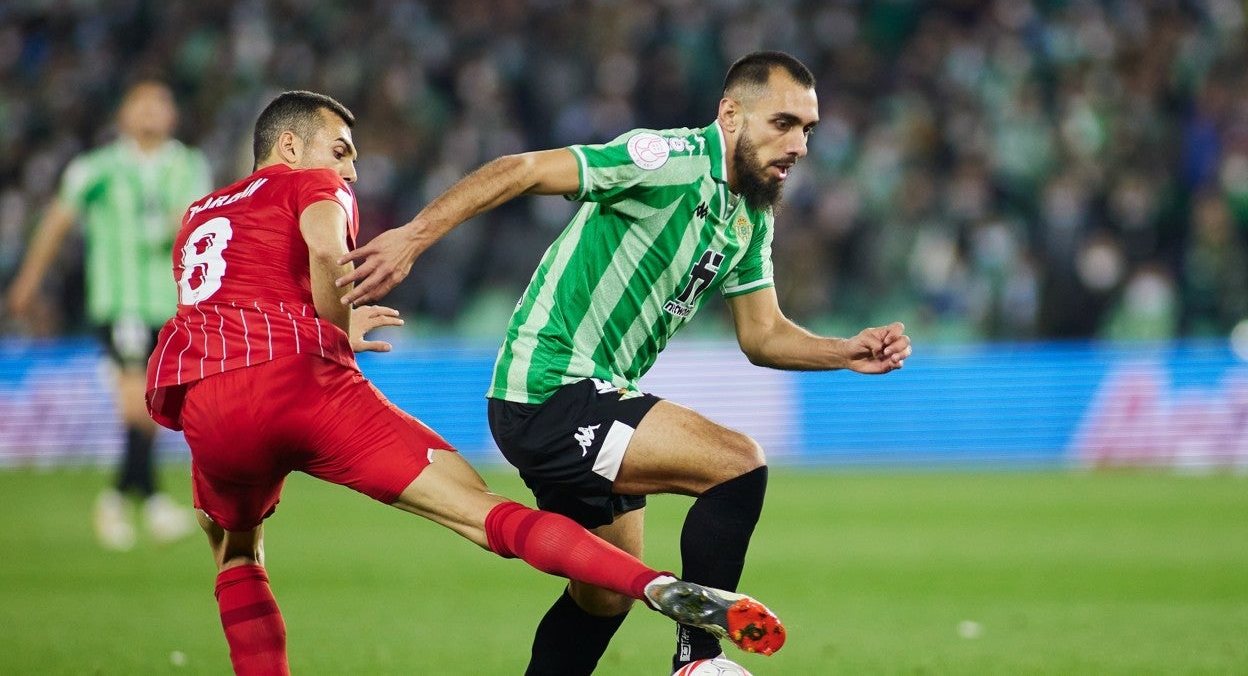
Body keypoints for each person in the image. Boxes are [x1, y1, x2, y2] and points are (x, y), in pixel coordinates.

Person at [145, 90, 785, 675]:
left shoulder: (199, 214)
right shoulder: (311, 184)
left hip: (207, 395)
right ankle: (652, 586)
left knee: (236, 551)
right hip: (302, 386)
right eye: (341, 151)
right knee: (487, 517)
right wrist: (338, 314)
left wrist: (325, 321)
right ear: (289, 146)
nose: (350, 171)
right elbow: (322, 247)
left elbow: (234, 298)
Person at [338, 50, 912, 675]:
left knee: (603, 595)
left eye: (808, 129)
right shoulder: (668, 160)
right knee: (737, 465)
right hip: (550, 386)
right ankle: (700, 658)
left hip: (591, 394)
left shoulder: (749, 217)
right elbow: (524, 169)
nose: (799, 144)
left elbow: (763, 335)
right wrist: (414, 236)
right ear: (730, 116)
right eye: (782, 123)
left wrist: (844, 351)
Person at [6, 79, 209, 551]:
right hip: (123, 302)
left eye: (160, 102)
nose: (151, 112)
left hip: (175, 305)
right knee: (137, 403)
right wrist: (28, 282)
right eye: (141, 103)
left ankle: (127, 499)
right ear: (123, 114)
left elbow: (197, 221)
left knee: (156, 407)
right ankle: (140, 502)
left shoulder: (189, 165)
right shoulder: (97, 169)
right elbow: (57, 221)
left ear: (173, 115)